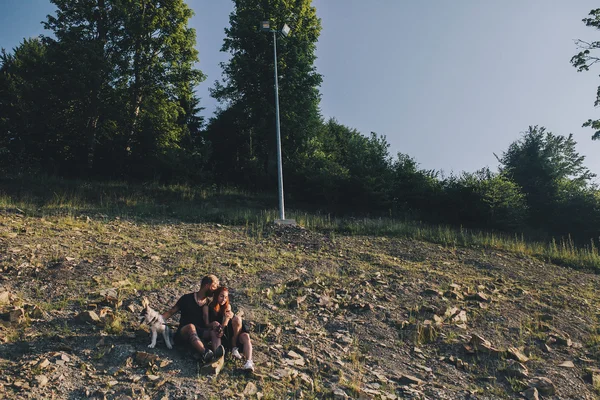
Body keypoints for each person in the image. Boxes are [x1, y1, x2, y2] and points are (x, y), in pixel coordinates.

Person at [161, 274, 224, 362]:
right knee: (191, 326)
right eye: (214, 287)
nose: (215, 290)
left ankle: (217, 358)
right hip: (184, 332)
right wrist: (157, 320)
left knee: (215, 332)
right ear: (207, 285)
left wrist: (217, 326)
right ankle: (205, 353)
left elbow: (211, 322)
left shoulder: (209, 304)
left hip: (200, 332)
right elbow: (171, 312)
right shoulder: (187, 298)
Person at [204, 286, 254, 371]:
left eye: (226, 297)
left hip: (231, 331)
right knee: (217, 333)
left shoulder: (227, 306)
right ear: (216, 296)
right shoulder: (208, 307)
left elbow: (226, 321)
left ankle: (248, 362)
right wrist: (213, 324)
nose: (224, 299)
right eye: (221, 296)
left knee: (245, 334)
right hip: (219, 333)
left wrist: (223, 328)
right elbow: (206, 323)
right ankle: (220, 358)